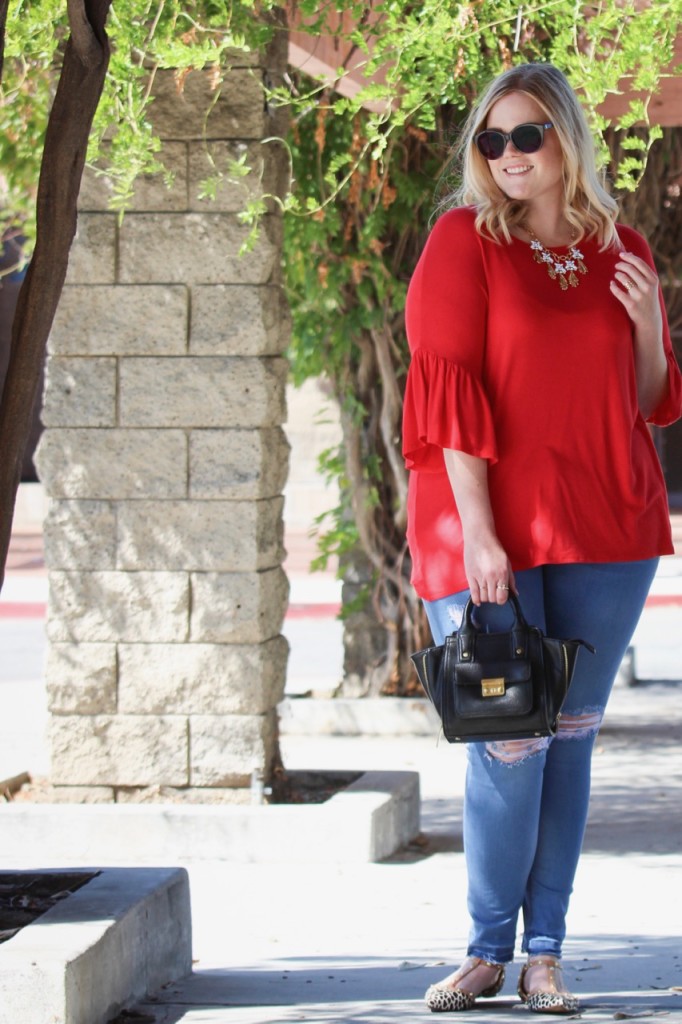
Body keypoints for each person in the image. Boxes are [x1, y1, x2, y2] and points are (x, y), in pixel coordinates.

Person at [402, 62, 682, 1015]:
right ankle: (486, 950)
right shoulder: (462, 243)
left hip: (609, 526)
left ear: (566, 142)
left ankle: (545, 954)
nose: (507, 156)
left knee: (568, 741)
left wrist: (648, 325)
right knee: (505, 743)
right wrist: (480, 536)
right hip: (489, 533)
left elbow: (648, 402)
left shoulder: (622, 248)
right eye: (492, 139)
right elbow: (446, 397)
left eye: (527, 136)